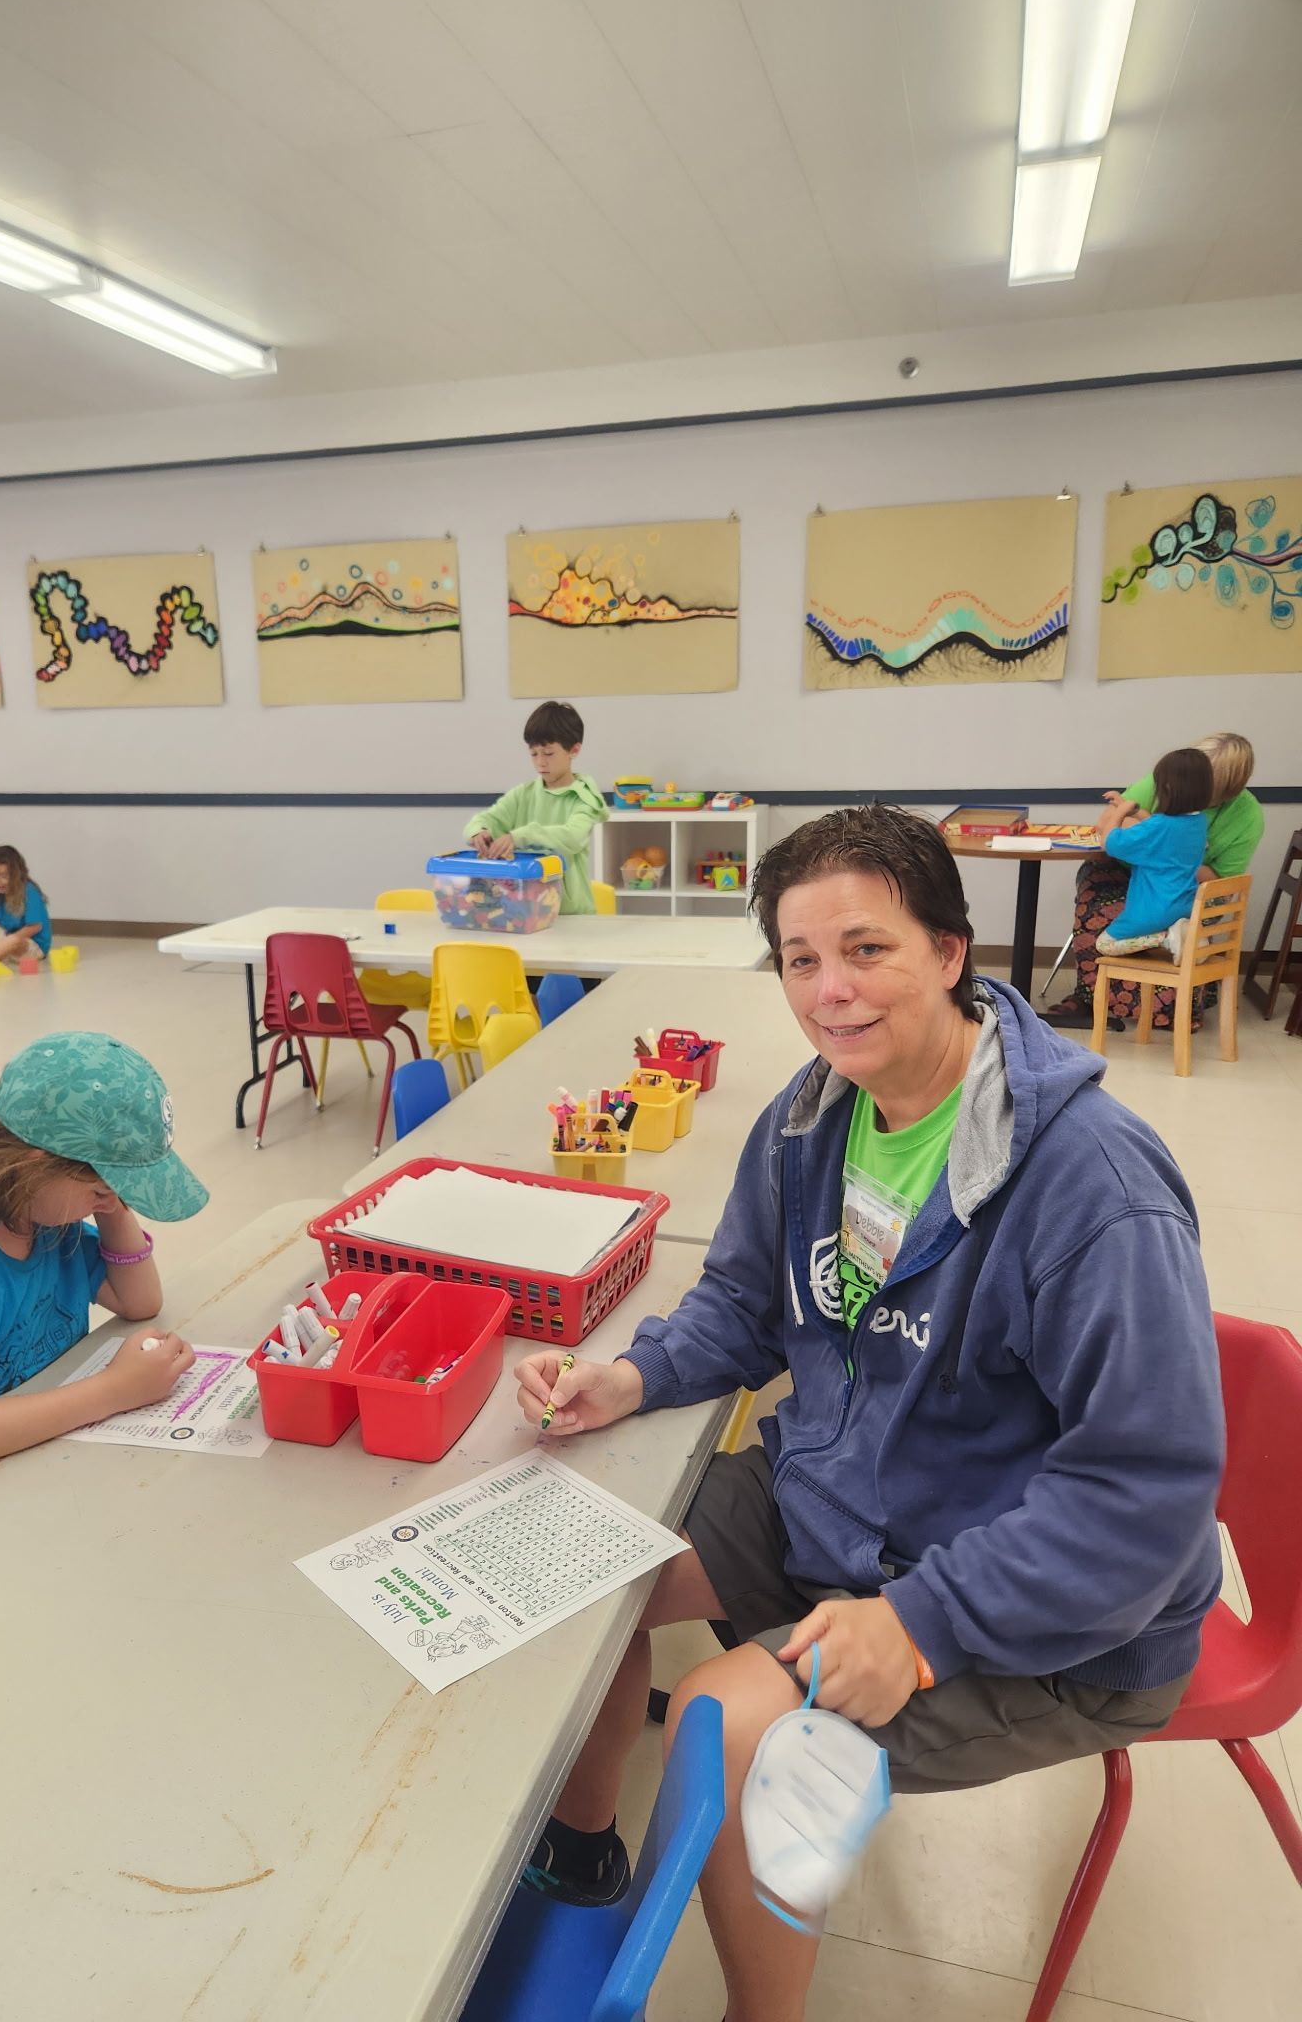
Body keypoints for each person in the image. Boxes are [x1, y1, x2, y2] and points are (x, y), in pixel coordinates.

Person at [514, 806, 1223, 2022]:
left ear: (949, 951)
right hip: (845, 1494)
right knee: (579, 1563)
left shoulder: (1092, 1182)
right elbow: (744, 1300)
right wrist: (631, 1375)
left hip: (1052, 1611)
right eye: (801, 959)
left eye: (866, 949)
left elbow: (1144, 1492)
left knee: (726, 1722)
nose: (830, 990)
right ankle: (579, 1857)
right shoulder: (813, 1117)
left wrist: (923, 1623)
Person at [0, 1031, 209, 1482]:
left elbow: (138, 1300)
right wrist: (115, 1390)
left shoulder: (41, 1214)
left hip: (32, 1463)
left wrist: (112, 1199)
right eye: (100, 1190)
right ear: (33, 1164)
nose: (110, 1202)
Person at [1048, 732, 1262, 1029]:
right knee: (1099, 900)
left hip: (1183, 887)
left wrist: (1150, 842)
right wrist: (1168, 850)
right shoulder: (1190, 812)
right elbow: (1155, 832)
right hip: (1156, 881)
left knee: (1111, 939)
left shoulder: (1245, 815)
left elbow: (1111, 836)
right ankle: (1091, 997)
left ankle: (1172, 1007)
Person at [463, 700, 607, 915]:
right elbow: (487, 819)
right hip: (525, 911)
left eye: (548, 754)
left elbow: (571, 837)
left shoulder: (584, 799)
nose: (540, 762)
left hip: (570, 914)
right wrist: (478, 832)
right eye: (534, 754)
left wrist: (520, 836)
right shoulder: (523, 794)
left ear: (574, 750)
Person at [1093, 746, 1212, 963]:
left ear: (1166, 788)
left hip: (1154, 909)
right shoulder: (1198, 822)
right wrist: (1134, 810)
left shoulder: (1161, 826)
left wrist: (1119, 812)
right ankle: (1183, 934)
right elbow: (1159, 832)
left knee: (1104, 944)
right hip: (1184, 905)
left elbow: (1109, 843)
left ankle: (1167, 939)